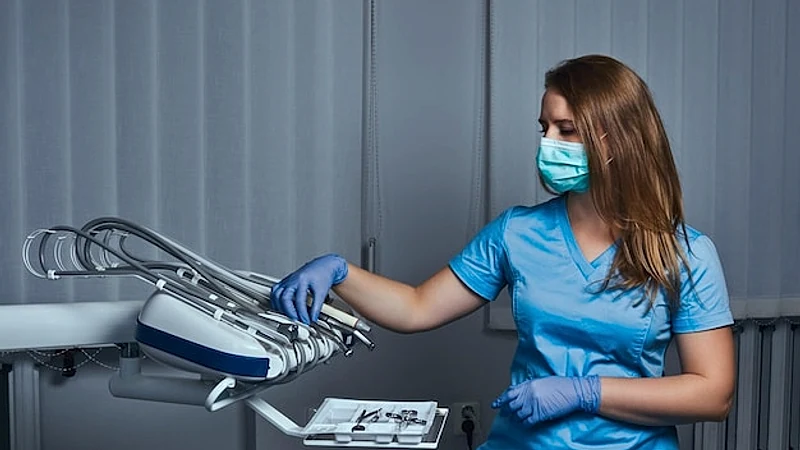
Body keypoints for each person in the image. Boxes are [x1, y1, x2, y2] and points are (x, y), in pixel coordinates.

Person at [269, 54, 735, 449]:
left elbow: (712, 395)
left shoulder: (685, 254)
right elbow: (416, 308)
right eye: (544, 127)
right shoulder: (517, 233)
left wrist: (584, 392)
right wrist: (339, 271)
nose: (547, 143)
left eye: (566, 129)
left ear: (618, 139)